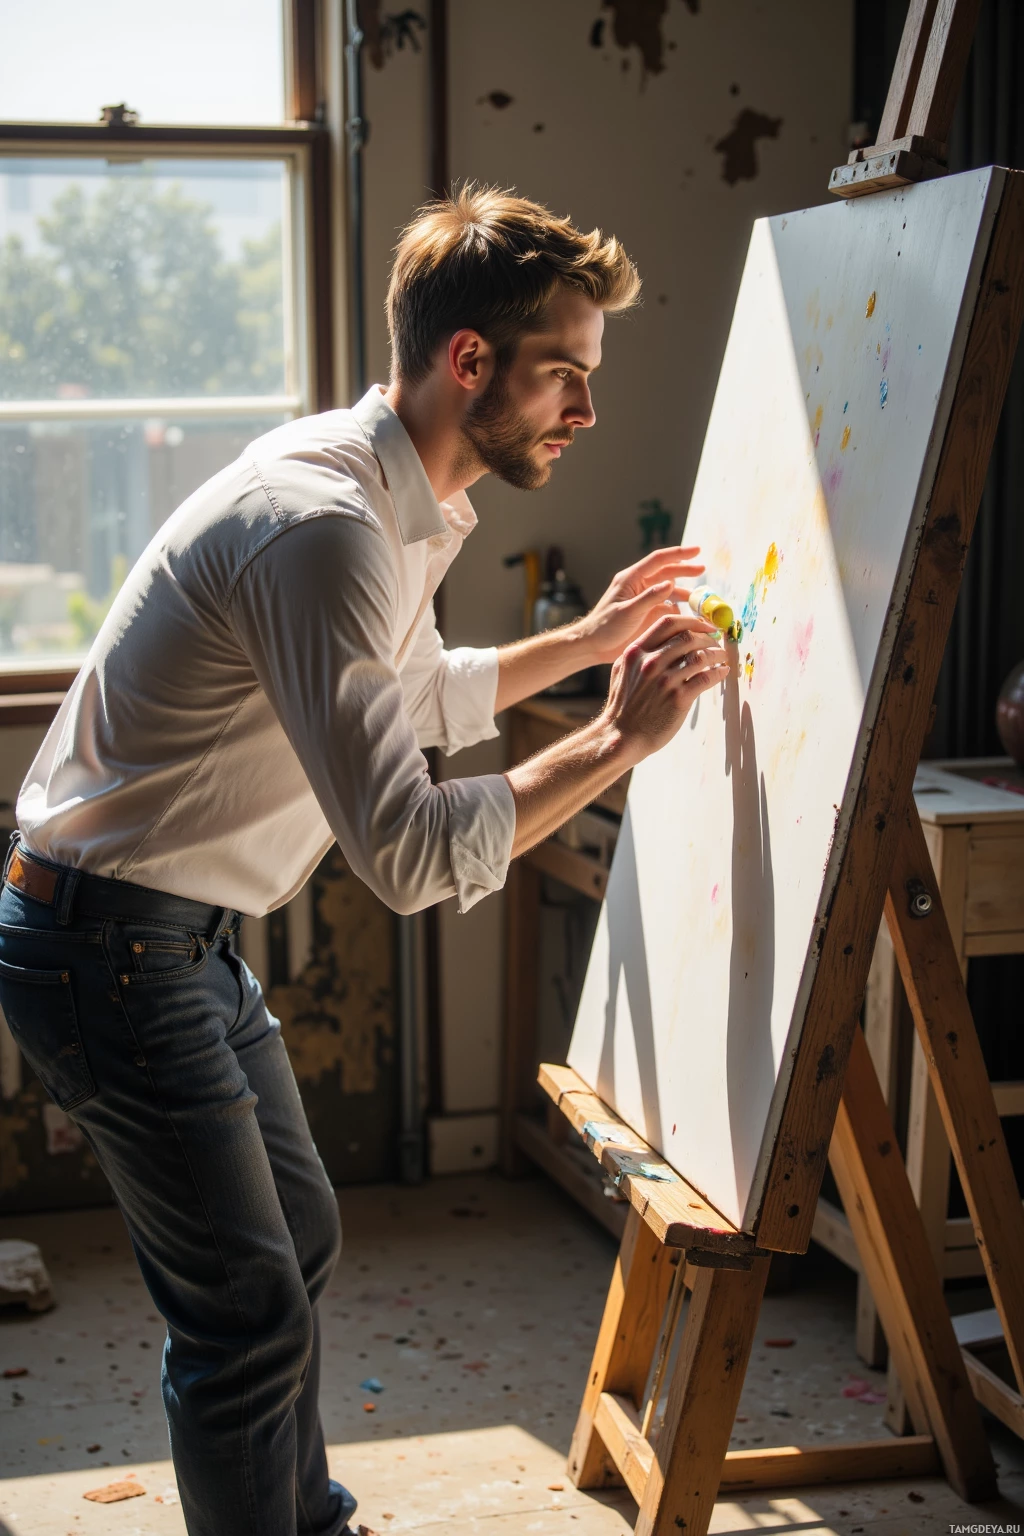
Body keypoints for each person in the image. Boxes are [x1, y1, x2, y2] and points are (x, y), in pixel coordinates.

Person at [0, 186, 729, 1536]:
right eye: (563, 373)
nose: (583, 409)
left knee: (296, 1246)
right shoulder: (325, 525)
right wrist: (619, 741)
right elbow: (402, 851)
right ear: (471, 362)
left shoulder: (386, 496)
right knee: (246, 1309)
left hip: (173, 936)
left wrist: (582, 645)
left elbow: (411, 694)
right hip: (106, 946)